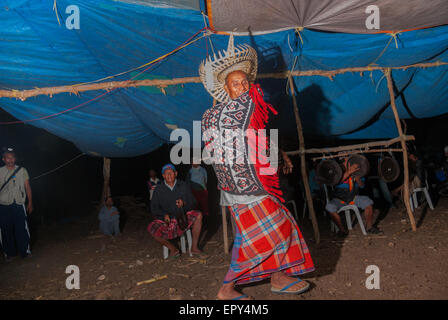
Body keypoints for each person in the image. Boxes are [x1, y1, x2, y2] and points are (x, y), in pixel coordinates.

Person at [199, 37, 314, 300]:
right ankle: (227, 288)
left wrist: (279, 154)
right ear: (226, 88)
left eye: (245, 82)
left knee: (253, 235)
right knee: (274, 229)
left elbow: (254, 140)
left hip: (248, 186)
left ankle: (277, 276)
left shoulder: (243, 114)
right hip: (244, 189)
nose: (242, 87)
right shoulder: (217, 114)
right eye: (235, 83)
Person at [147, 164, 203, 258]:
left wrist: (184, 203)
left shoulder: (183, 185)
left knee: (199, 215)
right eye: (166, 173)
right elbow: (154, 208)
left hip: (182, 218)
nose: (169, 175)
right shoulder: (159, 189)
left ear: (175, 174)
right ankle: (173, 249)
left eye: (171, 173)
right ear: (163, 176)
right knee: (152, 229)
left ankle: (194, 248)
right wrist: (163, 215)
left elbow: (193, 202)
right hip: (167, 221)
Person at [325, 157, 382, 235]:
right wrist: (349, 172)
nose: (346, 163)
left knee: (368, 202)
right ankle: (342, 230)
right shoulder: (337, 171)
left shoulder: (358, 171)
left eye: (347, 160)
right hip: (339, 199)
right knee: (330, 207)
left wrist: (358, 178)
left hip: (353, 198)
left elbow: (362, 186)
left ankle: (369, 227)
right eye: (344, 161)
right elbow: (337, 182)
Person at [0, 148, 33, 261]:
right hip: (3, 204)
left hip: (19, 203)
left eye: (12, 157)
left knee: (21, 228)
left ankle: (25, 251)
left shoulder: (22, 170)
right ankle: (9, 253)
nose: (10, 160)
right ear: (3, 159)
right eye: (8, 157)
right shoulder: (0, 172)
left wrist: (30, 202)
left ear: (15, 158)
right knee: (5, 229)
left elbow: (27, 186)